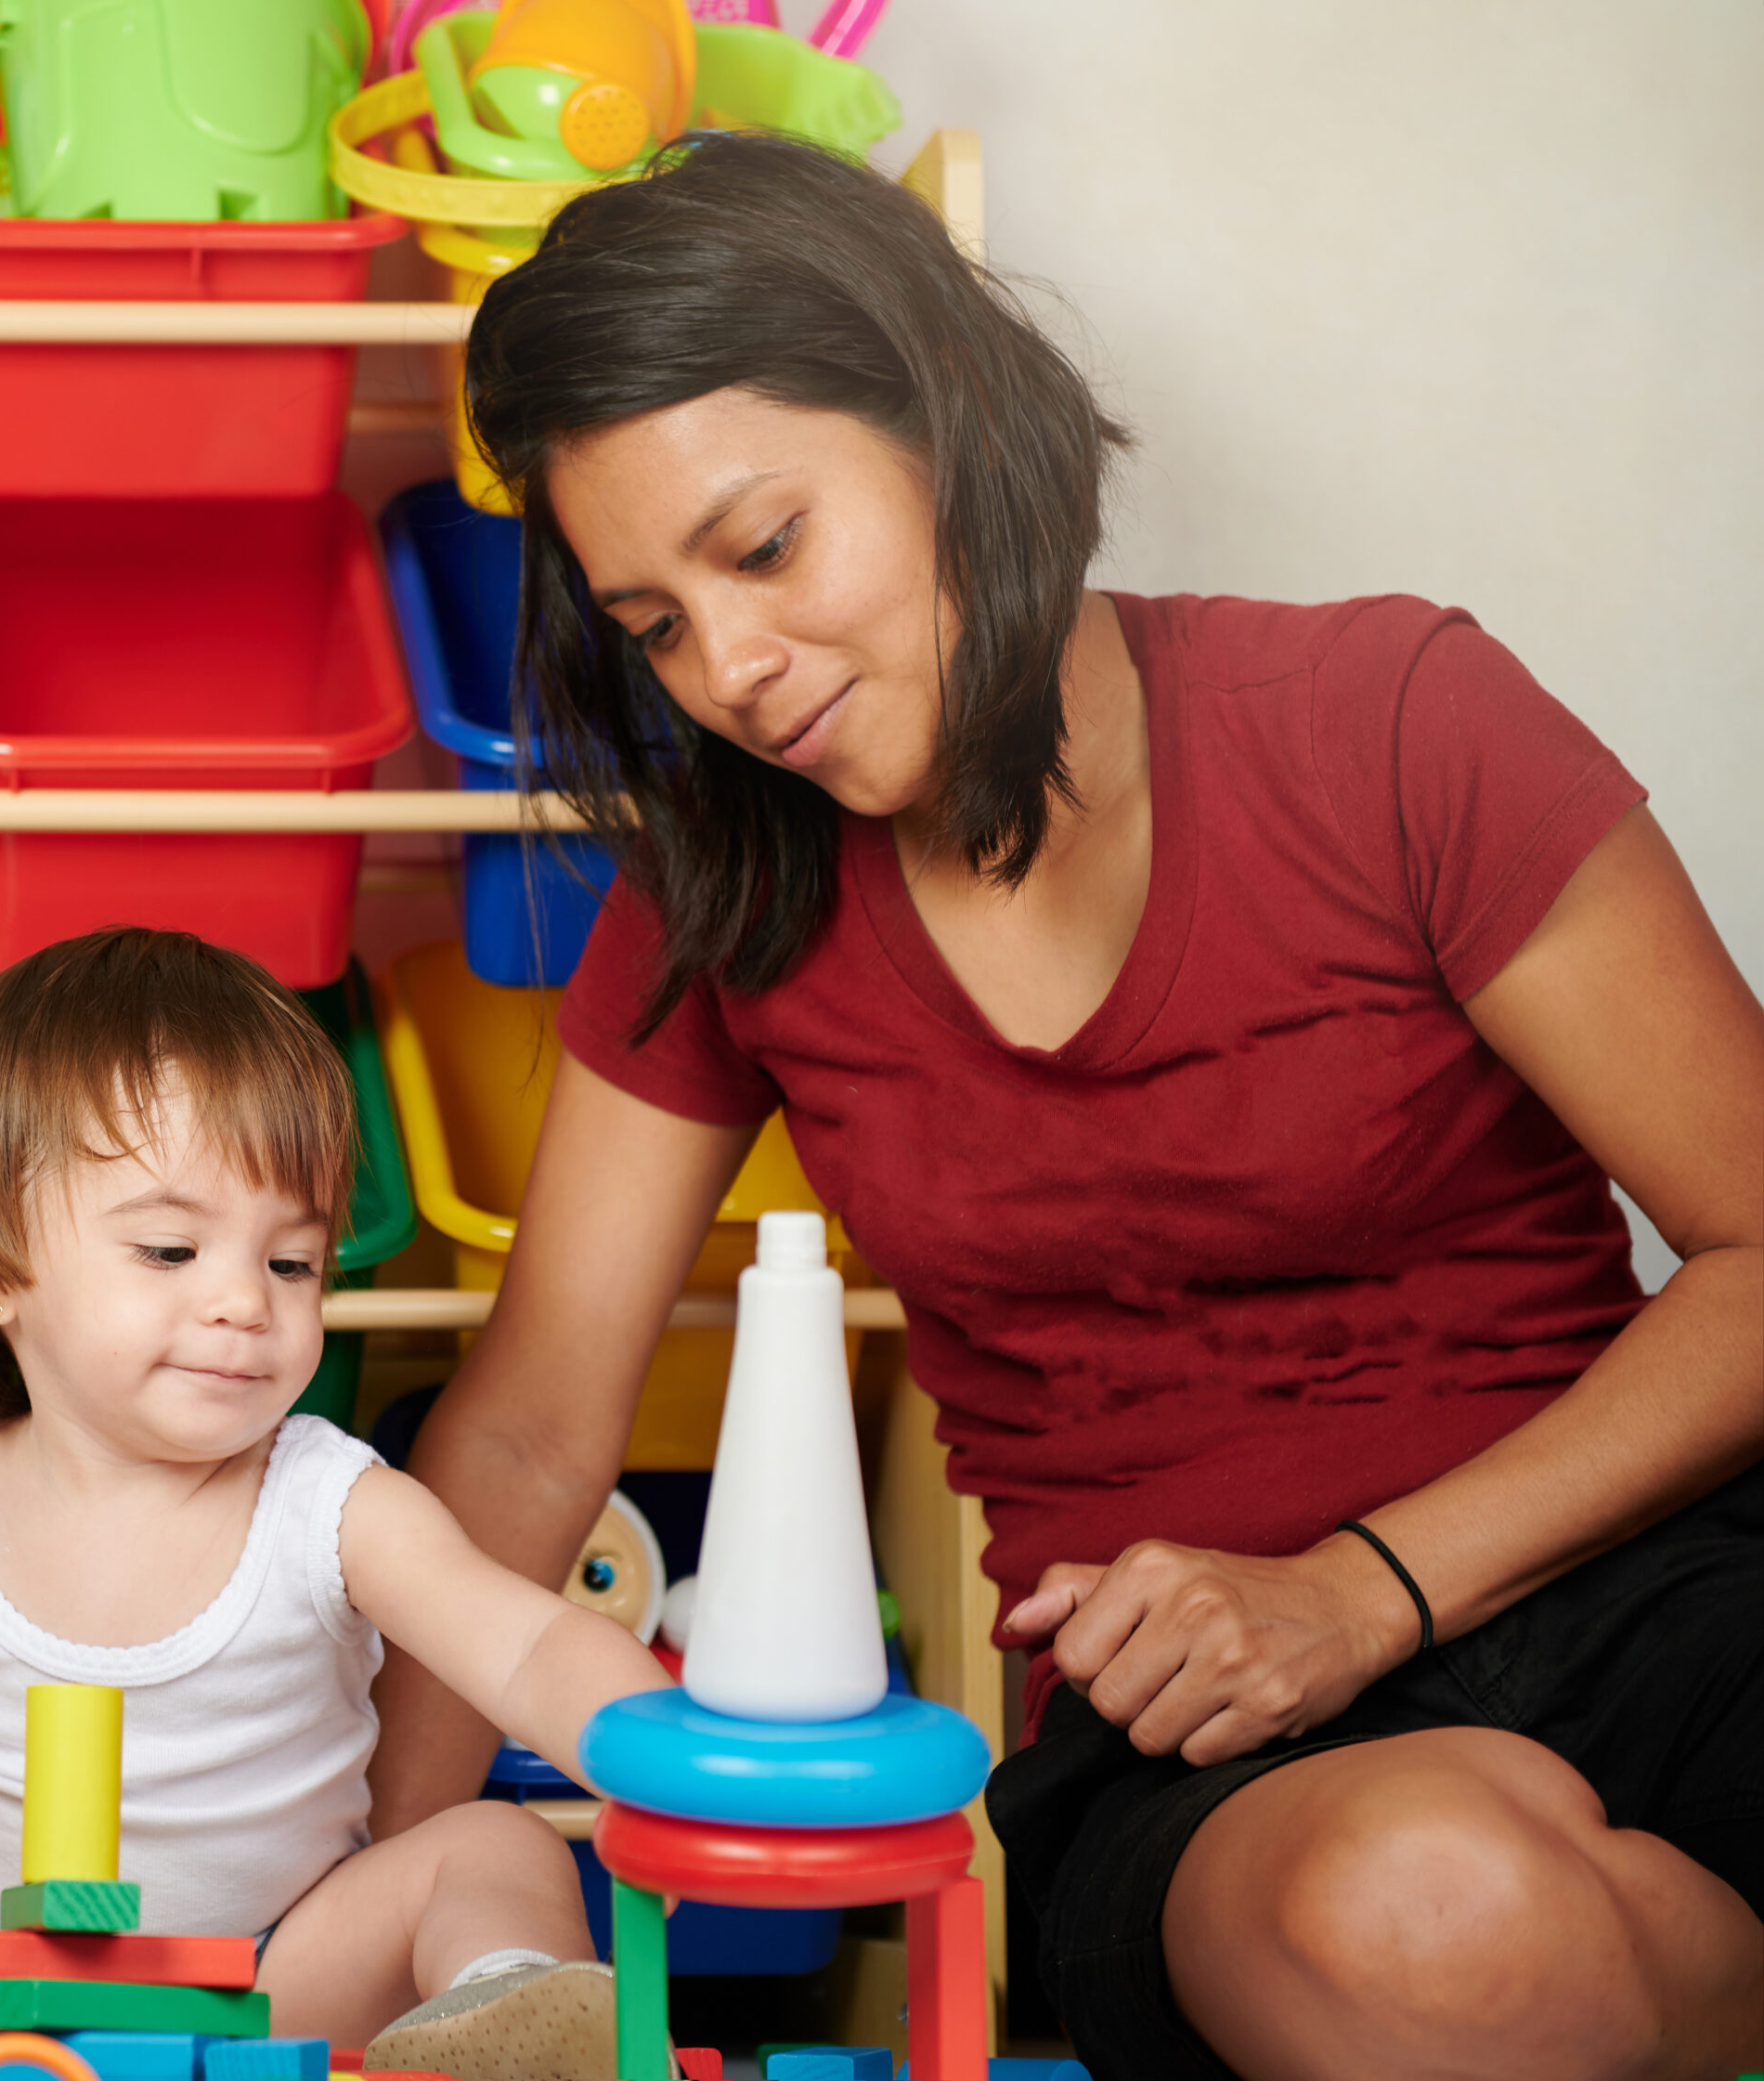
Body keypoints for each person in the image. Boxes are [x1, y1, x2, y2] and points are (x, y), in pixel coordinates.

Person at [368, 133, 1764, 2081]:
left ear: (952, 421)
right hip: (1202, 1753)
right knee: (1434, 1915)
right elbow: (525, 1437)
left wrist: (1363, 1588)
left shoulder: (1389, 717)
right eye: (655, 626)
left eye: (760, 548)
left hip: (1642, 1581)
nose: (733, 669)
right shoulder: (732, 896)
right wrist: (355, 1905)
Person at [0, 929, 669, 2081]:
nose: (243, 1300)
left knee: (495, 1847)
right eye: (173, 1248)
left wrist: (675, 1756)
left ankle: (498, 2023)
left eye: (292, 1264)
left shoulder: (332, 1503)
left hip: (278, 1972)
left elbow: (526, 1647)